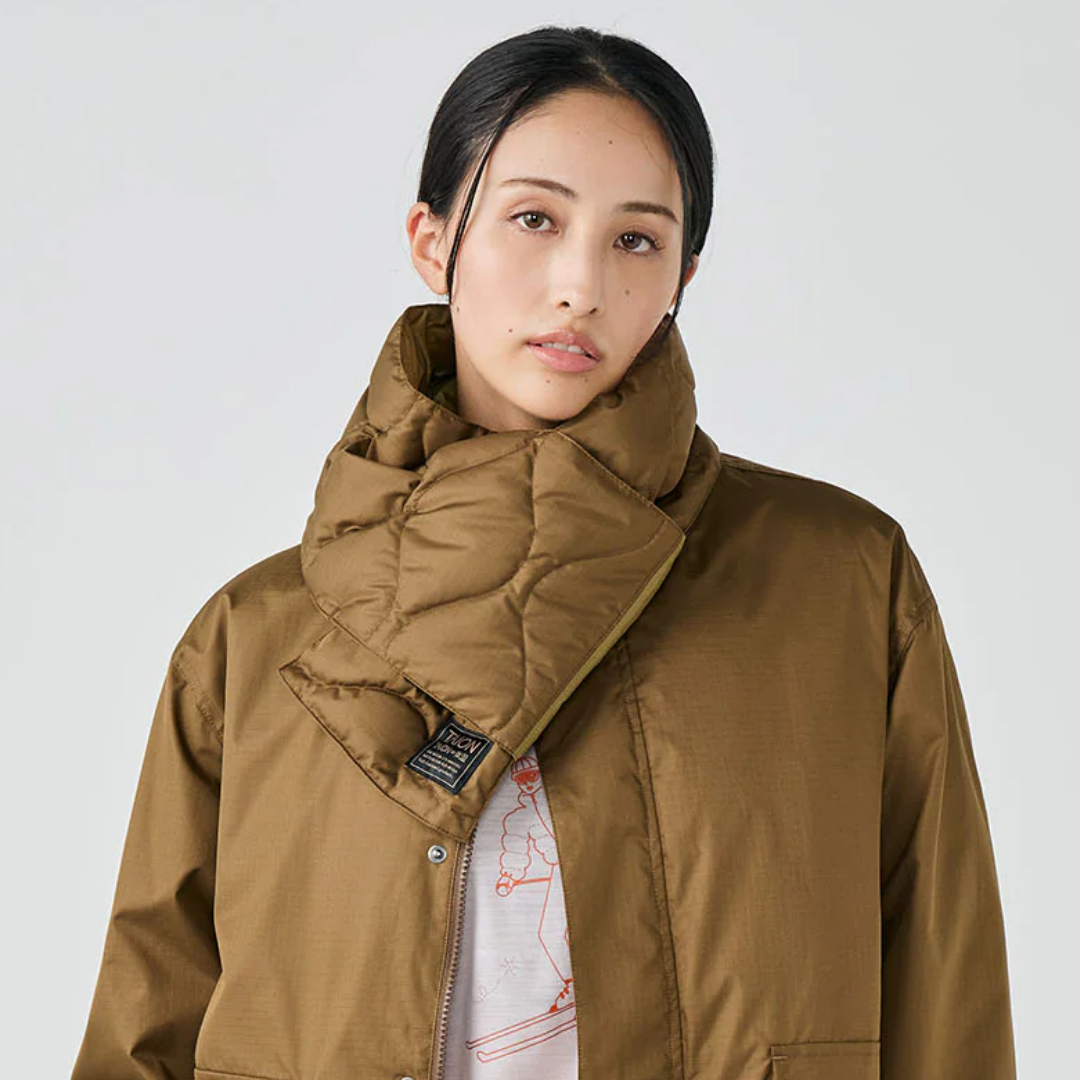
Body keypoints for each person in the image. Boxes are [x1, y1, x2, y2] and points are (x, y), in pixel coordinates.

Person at [70, 24, 1017, 1080]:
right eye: (534, 219)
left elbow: (946, 991)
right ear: (434, 241)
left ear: (683, 276)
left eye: (637, 240)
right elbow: (145, 1035)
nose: (580, 284)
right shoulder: (252, 643)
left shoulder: (841, 584)